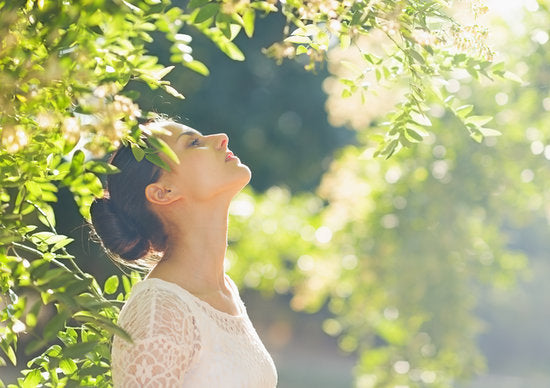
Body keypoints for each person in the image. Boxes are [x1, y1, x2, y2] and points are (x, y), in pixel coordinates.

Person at [89, 120, 278, 387]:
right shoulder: (159, 311)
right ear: (163, 192)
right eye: (193, 143)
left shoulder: (226, 292)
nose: (222, 137)